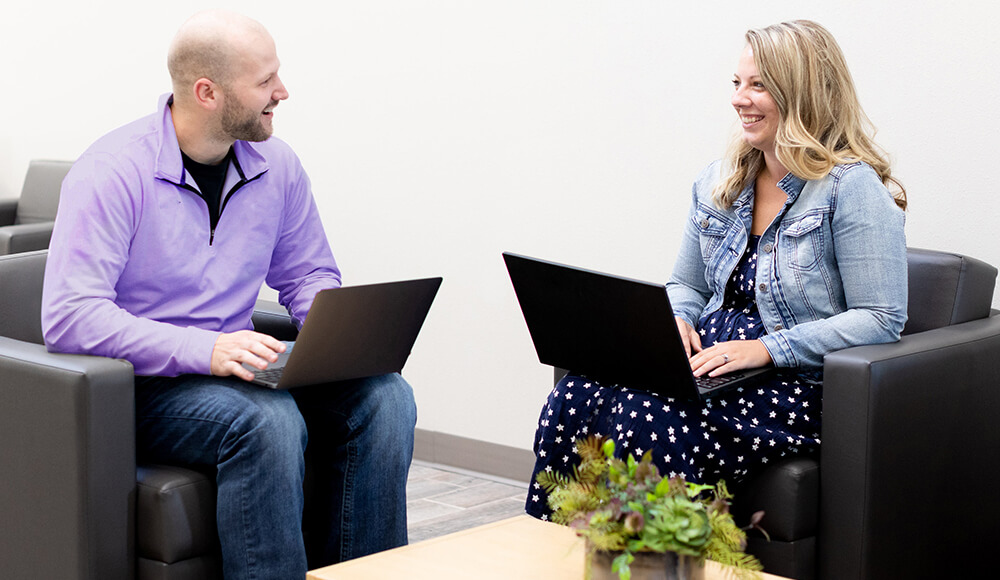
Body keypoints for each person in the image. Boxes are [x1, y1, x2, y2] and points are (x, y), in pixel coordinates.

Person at [41, 10, 417, 579]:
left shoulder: (278, 165)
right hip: (141, 387)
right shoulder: (112, 172)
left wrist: (334, 333)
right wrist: (205, 350)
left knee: (387, 397)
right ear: (208, 92)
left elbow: (307, 272)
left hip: (234, 369)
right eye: (265, 80)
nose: (282, 92)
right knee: (266, 421)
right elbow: (71, 317)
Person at [526, 20, 907, 520]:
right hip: (708, 364)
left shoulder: (849, 187)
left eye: (758, 84)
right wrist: (678, 320)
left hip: (790, 384)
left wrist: (765, 349)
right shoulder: (719, 179)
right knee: (575, 394)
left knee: (653, 417)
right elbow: (686, 283)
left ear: (802, 93)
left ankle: (643, 566)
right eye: (737, 83)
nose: (739, 99)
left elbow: (881, 317)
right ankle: (553, 558)